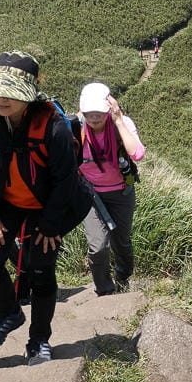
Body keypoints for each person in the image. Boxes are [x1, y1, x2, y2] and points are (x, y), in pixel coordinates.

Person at [0, 50, 82, 365]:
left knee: (40, 271)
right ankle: (8, 313)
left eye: (11, 93)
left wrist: (51, 225)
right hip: (5, 204)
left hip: (47, 205)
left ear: (29, 96)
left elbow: (66, 179)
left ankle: (39, 341)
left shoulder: (52, 126)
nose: (2, 98)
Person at [75, 82, 145, 295]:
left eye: (99, 113)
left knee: (121, 242)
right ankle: (104, 290)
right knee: (98, 247)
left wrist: (118, 121)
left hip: (121, 192)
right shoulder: (75, 127)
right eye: (89, 113)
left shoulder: (120, 124)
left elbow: (137, 154)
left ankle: (123, 280)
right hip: (90, 194)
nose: (94, 118)